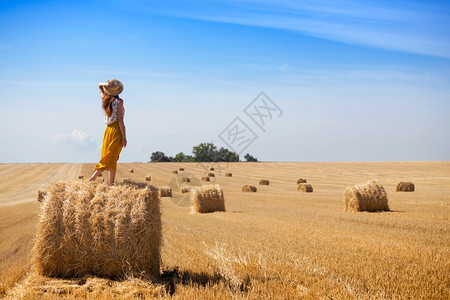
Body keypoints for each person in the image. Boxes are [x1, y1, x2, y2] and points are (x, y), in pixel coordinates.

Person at [89, 79, 127, 185]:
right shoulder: (119, 102)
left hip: (107, 130)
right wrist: (124, 137)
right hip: (116, 130)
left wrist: (104, 84)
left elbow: (98, 85)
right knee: (113, 156)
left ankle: (93, 179)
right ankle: (111, 184)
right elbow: (120, 120)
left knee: (107, 155)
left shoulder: (104, 98)